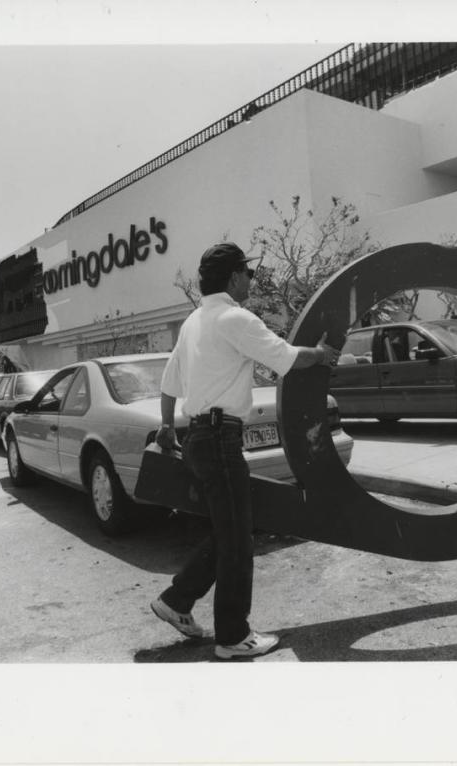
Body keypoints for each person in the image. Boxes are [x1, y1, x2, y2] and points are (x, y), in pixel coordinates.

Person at [151, 242, 339, 660]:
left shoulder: (193, 322)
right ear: (234, 277)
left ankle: (177, 601)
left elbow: (168, 383)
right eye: (248, 274)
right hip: (220, 439)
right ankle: (232, 637)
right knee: (237, 538)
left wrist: (166, 426)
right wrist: (322, 354)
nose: (251, 281)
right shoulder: (235, 318)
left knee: (227, 530)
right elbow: (287, 358)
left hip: (199, 437)